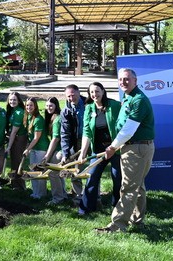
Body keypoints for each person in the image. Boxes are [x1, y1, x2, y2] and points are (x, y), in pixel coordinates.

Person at [96, 68, 155, 233]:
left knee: (128, 187)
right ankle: (137, 221)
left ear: (136, 81)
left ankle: (117, 225)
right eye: (121, 79)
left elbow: (129, 129)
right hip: (134, 146)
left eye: (127, 79)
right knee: (138, 185)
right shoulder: (129, 98)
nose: (123, 82)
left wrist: (113, 147)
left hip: (137, 148)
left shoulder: (138, 100)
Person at [77, 82, 122, 215]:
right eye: (92, 92)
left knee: (117, 178)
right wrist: (83, 153)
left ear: (103, 91)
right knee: (92, 178)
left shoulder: (113, 105)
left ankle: (117, 208)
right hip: (98, 150)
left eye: (97, 91)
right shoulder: (89, 108)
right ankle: (85, 209)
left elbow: (123, 124)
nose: (94, 94)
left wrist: (117, 145)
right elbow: (87, 132)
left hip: (115, 149)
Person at [60, 84, 86, 203]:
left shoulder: (88, 104)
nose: (71, 98)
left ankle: (95, 195)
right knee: (76, 168)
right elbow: (64, 133)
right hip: (76, 142)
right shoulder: (66, 110)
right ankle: (78, 195)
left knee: (93, 168)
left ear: (78, 92)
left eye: (73, 95)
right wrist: (65, 153)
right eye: (68, 96)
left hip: (91, 140)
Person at [41, 97, 67, 205]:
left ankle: (58, 198)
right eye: (47, 106)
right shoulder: (56, 117)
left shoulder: (57, 120)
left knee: (53, 173)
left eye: (51, 106)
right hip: (61, 150)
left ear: (56, 105)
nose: (48, 108)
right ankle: (63, 195)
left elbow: (55, 139)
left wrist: (47, 155)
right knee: (58, 173)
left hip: (59, 150)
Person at [22, 97, 47, 199]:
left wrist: (28, 149)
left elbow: (36, 138)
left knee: (39, 171)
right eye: (27, 105)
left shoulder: (38, 119)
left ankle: (41, 193)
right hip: (33, 148)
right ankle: (35, 192)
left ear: (35, 106)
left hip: (41, 148)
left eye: (31, 105)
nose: (29, 107)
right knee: (33, 171)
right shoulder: (28, 117)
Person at [5, 91, 27, 190]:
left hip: (19, 139)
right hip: (14, 138)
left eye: (14, 100)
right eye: (10, 99)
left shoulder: (19, 112)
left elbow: (14, 132)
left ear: (18, 101)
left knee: (17, 162)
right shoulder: (13, 110)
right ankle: (14, 182)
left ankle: (20, 186)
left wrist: (9, 147)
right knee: (13, 161)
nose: (12, 101)